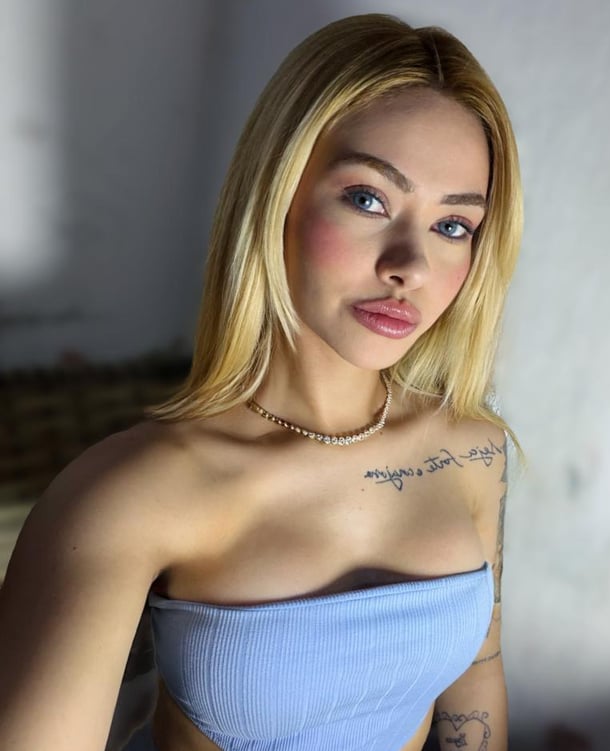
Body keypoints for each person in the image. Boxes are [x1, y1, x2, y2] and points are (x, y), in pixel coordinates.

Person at [0, 13, 523, 751]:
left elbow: (478, 681)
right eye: (368, 198)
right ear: (277, 192)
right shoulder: (126, 493)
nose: (410, 265)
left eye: (453, 226)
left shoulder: (473, 448)